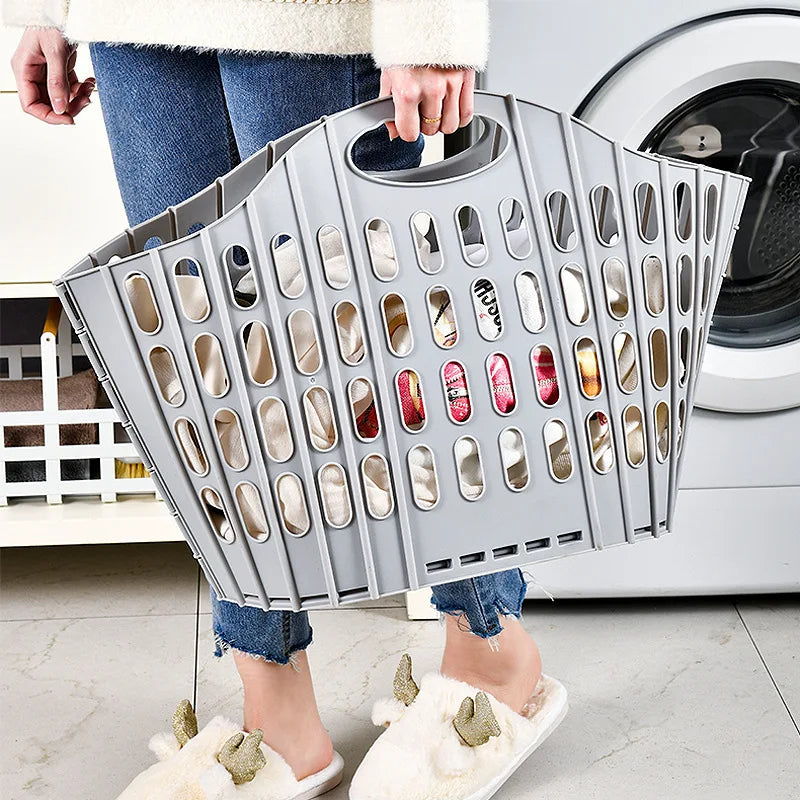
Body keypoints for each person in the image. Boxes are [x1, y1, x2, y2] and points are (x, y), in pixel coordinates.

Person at [7, 3, 566, 797]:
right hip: (133, 19)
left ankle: (493, 654)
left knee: (369, 342)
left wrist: (429, 28)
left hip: (309, 20)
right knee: (197, 366)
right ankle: (278, 711)